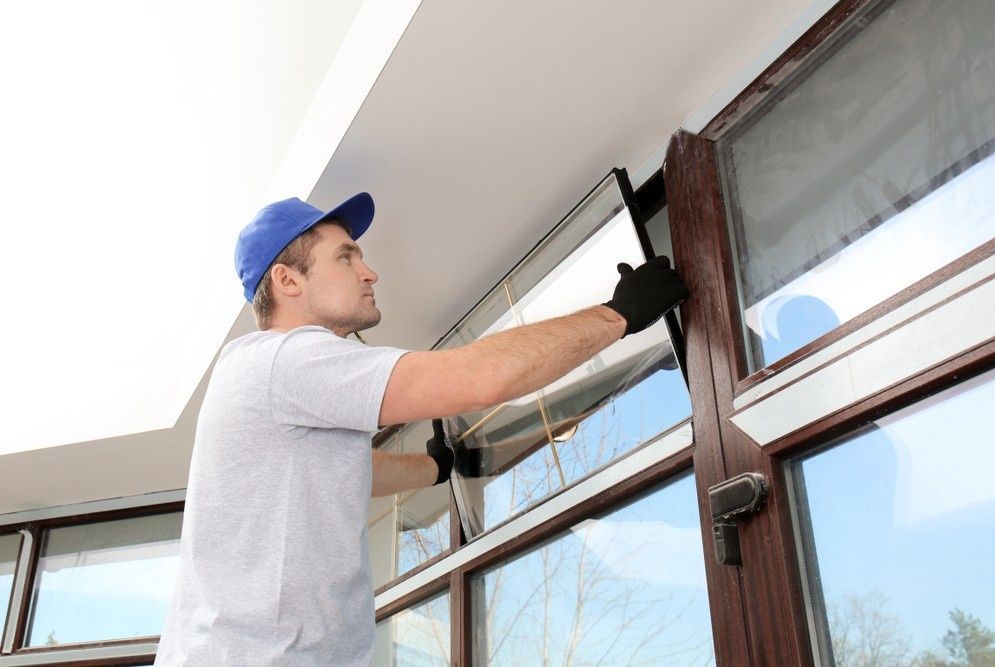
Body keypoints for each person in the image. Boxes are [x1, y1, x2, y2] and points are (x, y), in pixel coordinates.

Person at [154, 193, 688, 666]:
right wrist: (619, 315)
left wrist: (439, 469)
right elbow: (481, 377)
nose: (370, 271)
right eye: (346, 255)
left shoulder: (267, 383)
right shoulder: (284, 359)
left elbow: (352, 472)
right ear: (287, 279)